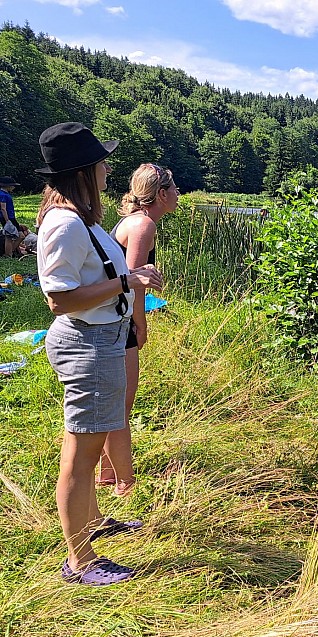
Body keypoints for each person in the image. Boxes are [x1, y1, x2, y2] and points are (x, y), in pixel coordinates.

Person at [36, 122, 164, 586]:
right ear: (84, 171)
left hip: (102, 340)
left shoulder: (81, 218)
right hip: (86, 345)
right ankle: (80, 562)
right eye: (102, 161)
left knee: (89, 444)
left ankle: (93, 525)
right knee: (81, 452)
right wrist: (129, 282)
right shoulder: (66, 223)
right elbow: (60, 298)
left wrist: (130, 284)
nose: (109, 168)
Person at [97, 163, 179, 496]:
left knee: (116, 404)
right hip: (121, 320)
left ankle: (107, 474)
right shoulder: (144, 224)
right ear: (160, 194)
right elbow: (133, 280)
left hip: (115, 316)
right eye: (174, 188)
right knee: (121, 405)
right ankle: (123, 484)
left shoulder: (134, 220)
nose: (178, 194)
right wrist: (140, 323)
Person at [0, 176, 28, 256]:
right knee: (9, 237)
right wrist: (7, 220)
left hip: (11, 217)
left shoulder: (5, 194)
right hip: (8, 218)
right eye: (12, 185)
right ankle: (8, 254)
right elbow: (3, 208)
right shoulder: (2, 195)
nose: (14, 187)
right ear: (8, 186)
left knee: (20, 236)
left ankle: (10, 252)